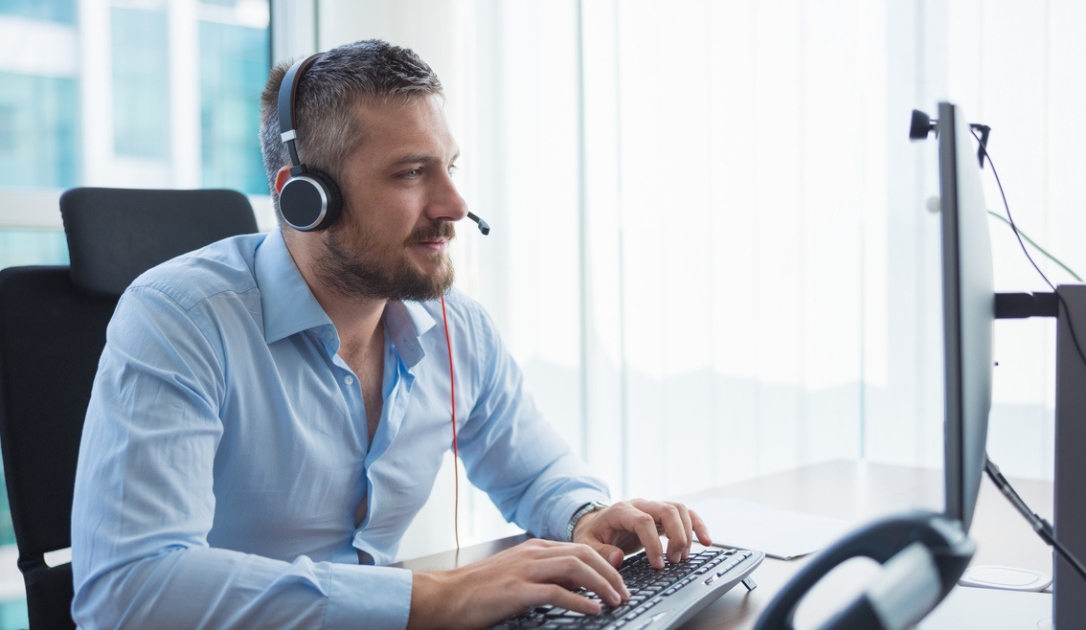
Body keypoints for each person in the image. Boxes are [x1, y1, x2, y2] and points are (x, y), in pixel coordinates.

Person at [70, 39, 713, 629]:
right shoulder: (178, 319)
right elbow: (131, 589)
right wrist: (440, 596)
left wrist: (584, 514)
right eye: (410, 173)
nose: (455, 204)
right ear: (305, 197)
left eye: (449, 166)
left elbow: (534, 469)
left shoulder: (456, 326)